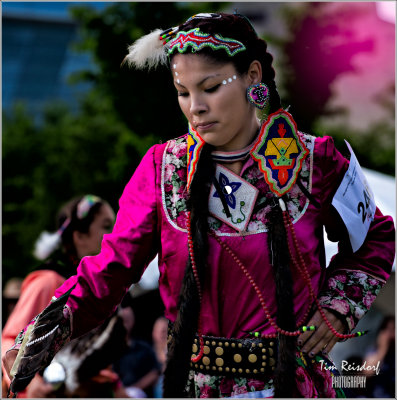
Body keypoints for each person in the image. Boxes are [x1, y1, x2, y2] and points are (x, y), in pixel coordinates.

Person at [3, 12, 395, 399]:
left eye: (210, 87)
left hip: (292, 386)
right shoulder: (163, 169)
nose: (196, 107)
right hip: (193, 388)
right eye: (183, 92)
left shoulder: (314, 161)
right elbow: (111, 269)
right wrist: (43, 332)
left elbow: (377, 236)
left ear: (252, 77)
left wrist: (338, 306)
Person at [1, 194, 115, 397]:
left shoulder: (99, 287)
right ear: (79, 235)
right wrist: (31, 383)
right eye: (106, 226)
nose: (114, 236)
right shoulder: (49, 281)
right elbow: (9, 341)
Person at [112, 295, 161, 398]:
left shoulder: (144, 347)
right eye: (123, 321)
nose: (125, 324)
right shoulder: (108, 350)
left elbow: (155, 371)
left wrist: (134, 390)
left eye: (128, 320)